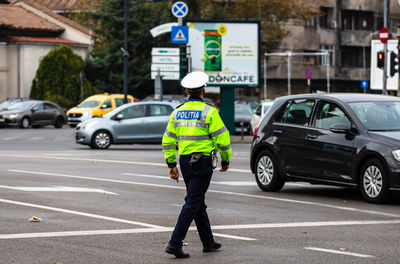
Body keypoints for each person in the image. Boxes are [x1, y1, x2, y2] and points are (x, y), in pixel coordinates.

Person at [162, 71, 232, 258]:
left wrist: (171, 164)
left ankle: (208, 242)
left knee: (197, 201)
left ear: (186, 91)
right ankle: (175, 243)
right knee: (193, 202)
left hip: (185, 162)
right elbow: (223, 140)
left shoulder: (177, 112)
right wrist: (225, 160)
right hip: (202, 162)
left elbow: (167, 141)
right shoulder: (209, 112)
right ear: (203, 91)